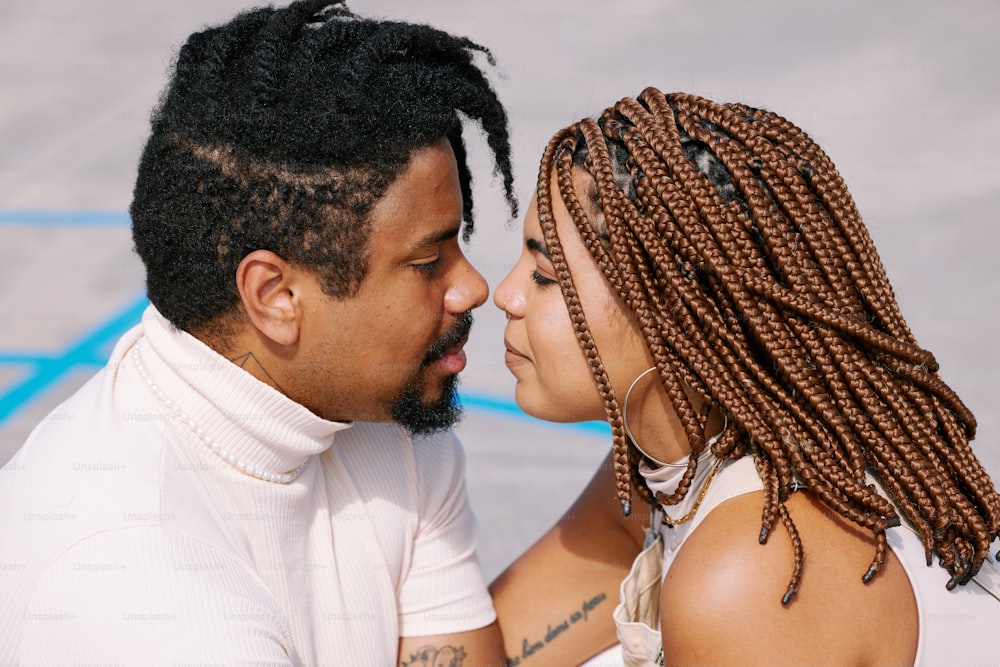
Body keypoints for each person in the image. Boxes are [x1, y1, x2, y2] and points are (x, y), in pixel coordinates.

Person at [0, 0, 527, 663]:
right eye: (428, 263)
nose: (475, 286)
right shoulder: (137, 587)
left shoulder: (388, 420)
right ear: (276, 296)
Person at [490, 87, 1000, 665]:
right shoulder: (669, 473)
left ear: (673, 308)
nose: (504, 295)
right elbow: (482, 648)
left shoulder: (758, 568)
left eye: (544, 274)